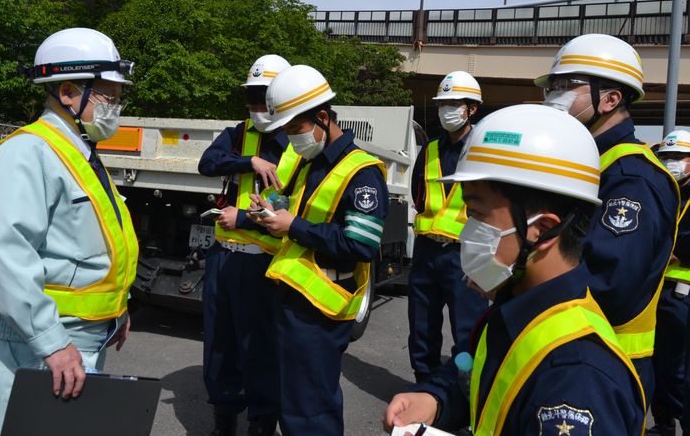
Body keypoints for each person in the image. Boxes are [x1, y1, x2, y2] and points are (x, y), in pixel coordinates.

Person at [384, 104, 646, 435]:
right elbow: (485, 379)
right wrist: (438, 399)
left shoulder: (576, 378)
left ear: (541, 229)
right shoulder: (516, 309)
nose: (465, 232)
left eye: (477, 214)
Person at [0, 27, 138, 436]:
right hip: (31, 344)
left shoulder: (78, 153)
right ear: (68, 92)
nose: (115, 107)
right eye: (108, 96)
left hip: (70, 341)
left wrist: (117, 308)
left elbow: (87, 248)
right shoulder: (26, 153)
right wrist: (51, 341)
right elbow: (8, 256)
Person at [538, 33, 680, 402]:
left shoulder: (632, 178)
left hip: (604, 364)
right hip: (570, 348)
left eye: (567, 85)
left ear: (610, 99)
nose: (554, 96)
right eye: (552, 87)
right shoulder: (588, 163)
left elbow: (608, 283)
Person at [249, 64, 389, 436]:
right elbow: (296, 210)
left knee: (310, 411)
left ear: (323, 118)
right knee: (292, 401)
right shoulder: (310, 162)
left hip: (321, 308)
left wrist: (292, 226)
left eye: (295, 127)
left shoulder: (361, 172)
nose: (291, 138)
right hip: (292, 298)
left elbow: (361, 244)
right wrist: (269, 210)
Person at [197, 54, 298, 436]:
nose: (257, 107)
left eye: (264, 98)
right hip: (224, 258)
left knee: (260, 348)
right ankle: (224, 417)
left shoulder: (298, 145)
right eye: (252, 98)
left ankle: (262, 421)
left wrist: (242, 218)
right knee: (219, 345)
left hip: (264, 263)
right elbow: (208, 163)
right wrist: (248, 161)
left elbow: (292, 213)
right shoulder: (240, 134)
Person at [408, 71, 487, 384]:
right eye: (443, 104)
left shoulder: (485, 149)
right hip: (427, 250)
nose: (446, 110)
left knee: (467, 329)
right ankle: (424, 383)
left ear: (472, 109)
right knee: (421, 326)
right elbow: (418, 195)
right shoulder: (429, 149)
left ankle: (465, 390)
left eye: (454, 104)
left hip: (466, 253)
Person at [650, 129, 690, 435]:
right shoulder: (663, 192)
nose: (671, 163)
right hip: (656, 290)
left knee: (679, 370)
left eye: (678, 157)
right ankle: (663, 425)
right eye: (667, 157)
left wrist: (673, 247)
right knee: (657, 366)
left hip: (683, 295)